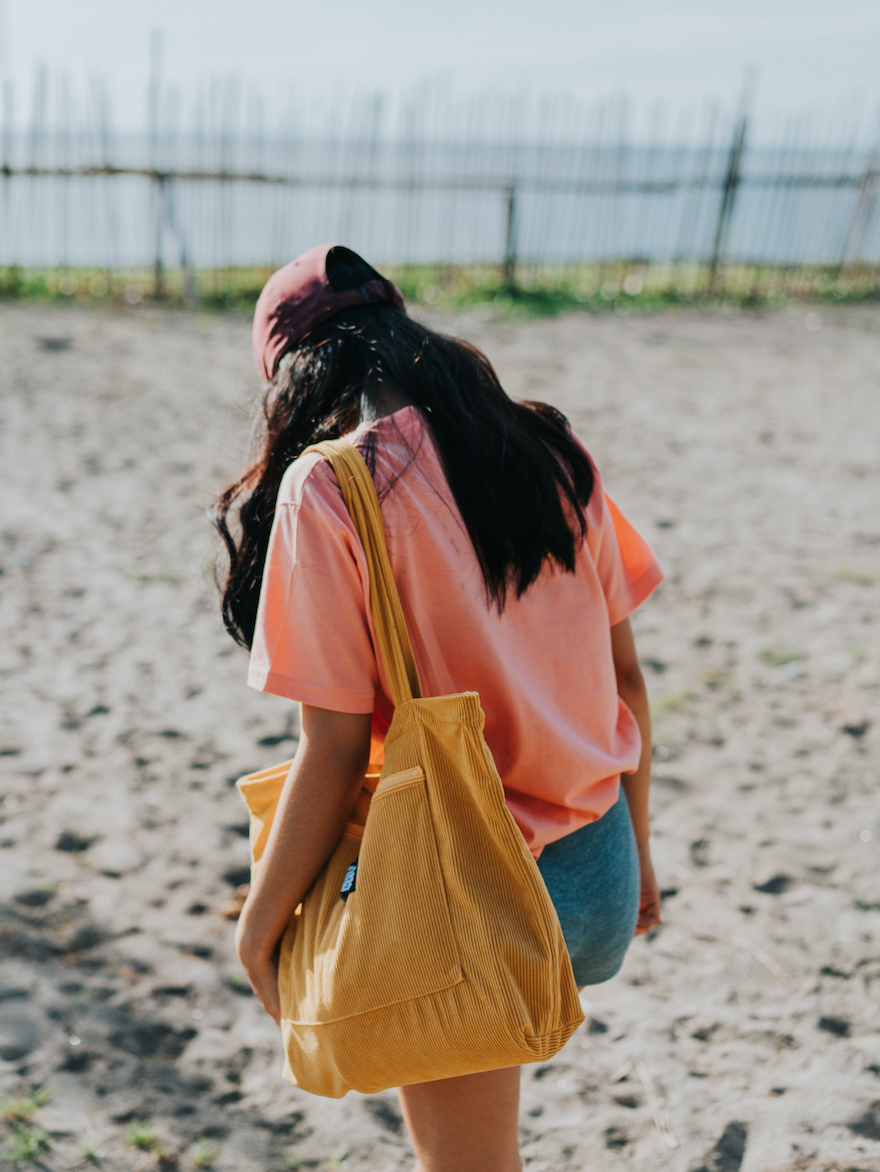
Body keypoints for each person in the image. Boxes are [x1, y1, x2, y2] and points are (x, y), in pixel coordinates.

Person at [216, 243, 663, 1172]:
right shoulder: (547, 448)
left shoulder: (333, 486)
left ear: (293, 378)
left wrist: (260, 929)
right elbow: (626, 682)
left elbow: (332, 752)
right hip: (600, 867)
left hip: (468, 889)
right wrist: (643, 858)